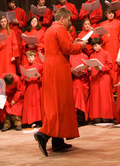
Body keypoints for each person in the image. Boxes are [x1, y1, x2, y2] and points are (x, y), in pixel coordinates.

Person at [34, 8, 86, 157]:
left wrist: (73, 42)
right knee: (61, 103)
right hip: (59, 70)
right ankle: (43, 135)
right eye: (69, 19)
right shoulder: (60, 29)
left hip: (50, 69)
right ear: (62, 18)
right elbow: (67, 48)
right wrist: (80, 46)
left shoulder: (49, 30)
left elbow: (60, 46)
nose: (70, 22)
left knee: (56, 102)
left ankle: (58, 141)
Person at [88, 37, 116, 124]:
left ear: (100, 44)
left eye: (96, 45)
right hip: (95, 78)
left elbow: (109, 65)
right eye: (93, 46)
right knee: (96, 98)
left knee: (104, 98)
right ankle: (97, 116)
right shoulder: (92, 55)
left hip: (103, 78)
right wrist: (88, 69)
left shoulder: (106, 53)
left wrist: (100, 68)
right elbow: (91, 67)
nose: (95, 48)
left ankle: (106, 116)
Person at [101, 8, 120, 87]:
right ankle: (108, 86)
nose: (111, 15)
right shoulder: (102, 24)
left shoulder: (118, 23)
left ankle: (115, 86)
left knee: (115, 66)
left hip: (115, 47)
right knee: (107, 63)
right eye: (109, 13)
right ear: (106, 14)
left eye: (112, 13)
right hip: (105, 47)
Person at [21, 50, 43, 128]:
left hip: (37, 87)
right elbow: (22, 79)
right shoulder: (25, 67)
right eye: (28, 57)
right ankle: (31, 121)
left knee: (37, 104)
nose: (30, 59)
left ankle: (39, 120)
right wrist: (26, 79)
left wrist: (39, 76)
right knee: (30, 105)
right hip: (29, 87)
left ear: (35, 57)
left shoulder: (40, 65)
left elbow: (44, 77)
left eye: (31, 57)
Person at [6, 0, 27, 66]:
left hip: (18, 33)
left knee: (18, 51)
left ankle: (19, 70)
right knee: (11, 51)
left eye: (12, 2)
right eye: (9, 3)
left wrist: (18, 22)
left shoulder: (21, 11)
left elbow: (25, 23)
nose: (11, 4)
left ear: (14, 3)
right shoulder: (7, 12)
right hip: (10, 33)